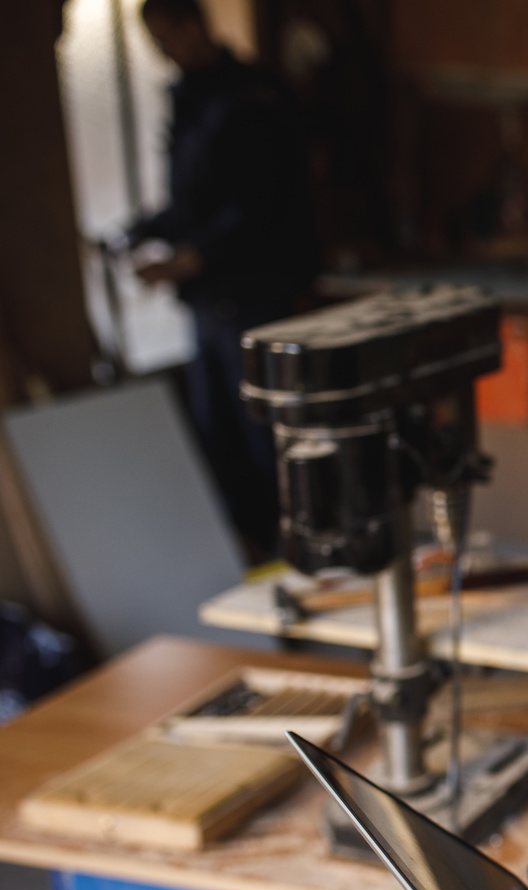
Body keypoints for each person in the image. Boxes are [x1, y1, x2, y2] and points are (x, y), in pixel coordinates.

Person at [128, 0, 317, 557]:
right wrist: (141, 231)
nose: (163, 53)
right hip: (208, 304)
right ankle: (250, 553)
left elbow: (256, 210)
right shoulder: (191, 99)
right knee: (219, 437)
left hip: (255, 298)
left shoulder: (251, 99)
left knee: (266, 437)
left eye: (166, 38)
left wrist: (189, 259)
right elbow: (192, 200)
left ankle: (294, 551)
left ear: (193, 26)